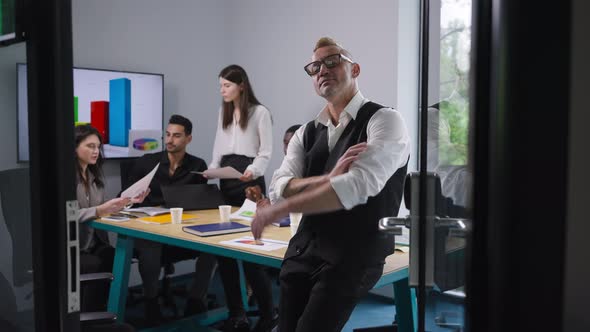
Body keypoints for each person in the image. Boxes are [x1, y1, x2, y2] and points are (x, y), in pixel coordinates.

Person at [251, 37, 411, 332]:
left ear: (356, 69)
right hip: (304, 250)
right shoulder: (306, 132)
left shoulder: (385, 121)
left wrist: (280, 209)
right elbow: (279, 184)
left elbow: (355, 187)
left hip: (355, 254)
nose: (322, 70)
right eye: (314, 67)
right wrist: (326, 178)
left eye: (332, 61)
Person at [124, 115, 216, 324]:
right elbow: (125, 198)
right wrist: (138, 198)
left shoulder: (197, 165)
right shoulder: (147, 162)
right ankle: (151, 300)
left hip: (182, 231)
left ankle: (196, 299)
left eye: (176, 135)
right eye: (167, 134)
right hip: (151, 229)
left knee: (212, 248)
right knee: (150, 245)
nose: (169, 140)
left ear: (188, 139)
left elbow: (204, 203)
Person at [205, 64, 276, 332]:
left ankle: (270, 315)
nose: (222, 90)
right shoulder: (223, 113)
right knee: (224, 252)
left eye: (227, 85)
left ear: (241, 85)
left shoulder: (260, 113)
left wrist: (253, 171)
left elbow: (266, 152)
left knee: (250, 254)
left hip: (249, 181)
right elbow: (217, 150)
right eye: (221, 86)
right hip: (227, 179)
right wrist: (210, 171)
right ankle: (237, 315)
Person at [75, 124, 146, 332]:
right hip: (73, 248)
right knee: (99, 261)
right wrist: (99, 210)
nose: (96, 151)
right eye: (90, 146)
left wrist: (128, 201)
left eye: (98, 146)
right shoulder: (65, 178)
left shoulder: (94, 178)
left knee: (113, 257)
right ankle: (87, 321)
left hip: (93, 242)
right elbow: (63, 216)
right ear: (74, 148)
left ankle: (96, 316)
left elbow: (105, 208)